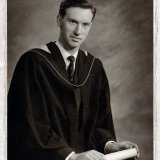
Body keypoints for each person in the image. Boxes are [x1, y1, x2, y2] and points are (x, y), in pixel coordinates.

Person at [8, 0, 139, 160]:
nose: (78, 31)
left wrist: (109, 145)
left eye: (85, 24)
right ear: (59, 20)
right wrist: (70, 156)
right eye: (73, 22)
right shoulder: (34, 62)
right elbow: (30, 124)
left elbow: (99, 122)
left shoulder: (94, 67)